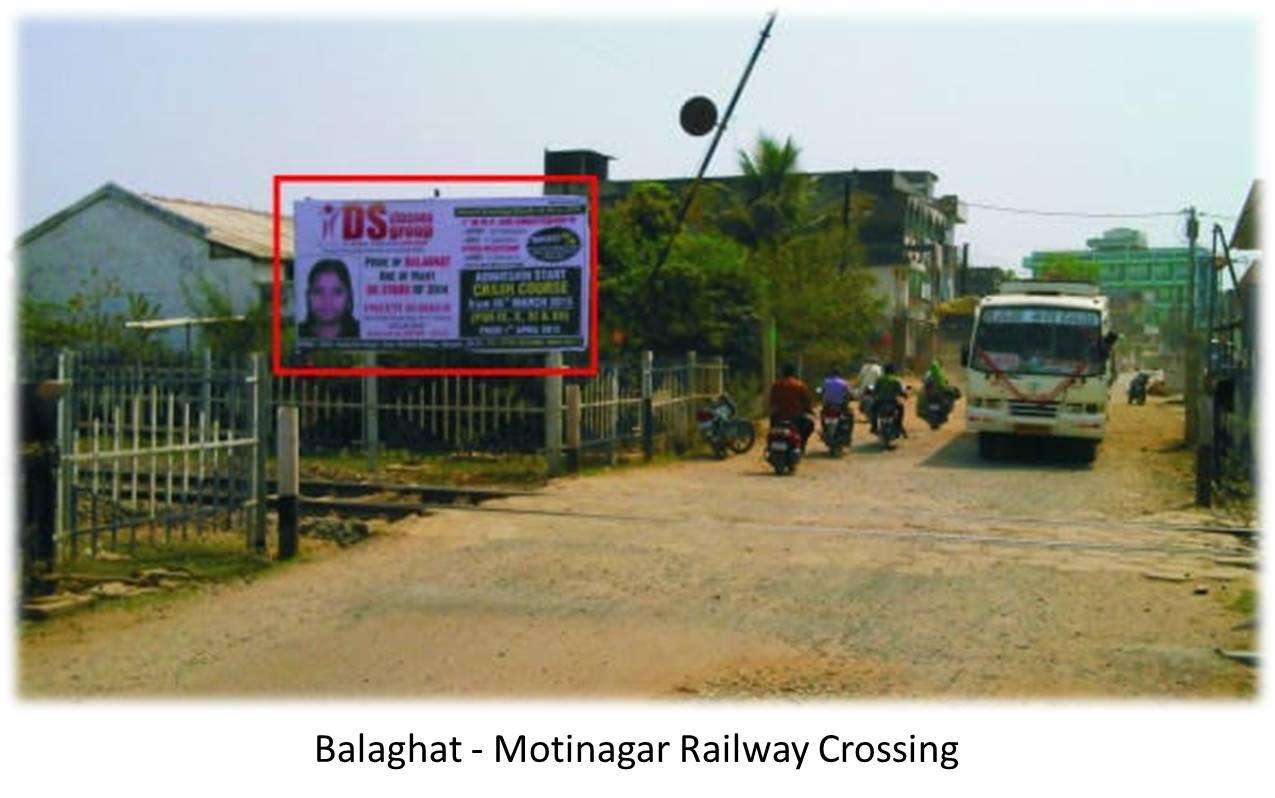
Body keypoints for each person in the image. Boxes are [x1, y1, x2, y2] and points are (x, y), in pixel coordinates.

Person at [299, 258, 360, 339]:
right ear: (307, 296)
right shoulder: (297, 334)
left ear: (349, 297)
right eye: (318, 291)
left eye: (337, 292)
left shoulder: (362, 332)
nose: (327, 301)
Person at [768, 363, 815, 452]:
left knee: (772, 429)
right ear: (793, 373)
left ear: (782, 373)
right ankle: (802, 444)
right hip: (795, 417)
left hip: (778, 416)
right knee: (809, 425)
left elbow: (772, 401)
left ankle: (770, 445)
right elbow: (807, 401)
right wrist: (809, 410)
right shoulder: (799, 385)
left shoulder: (776, 385)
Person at [873, 362, 908, 438]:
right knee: (901, 410)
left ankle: (874, 426)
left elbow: (875, 391)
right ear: (893, 370)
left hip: (881, 401)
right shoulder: (896, 380)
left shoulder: (880, 379)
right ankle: (899, 426)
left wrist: (874, 395)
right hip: (893, 402)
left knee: (873, 410)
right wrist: (905, 395)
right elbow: (900, 391)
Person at [858, 357, 884, 432]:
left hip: (864, 388)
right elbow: (880, 378)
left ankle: (866, 412)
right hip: (874, 388)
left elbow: (860, 377)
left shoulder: (864, 367)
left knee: (861, 399)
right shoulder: (878, 368)